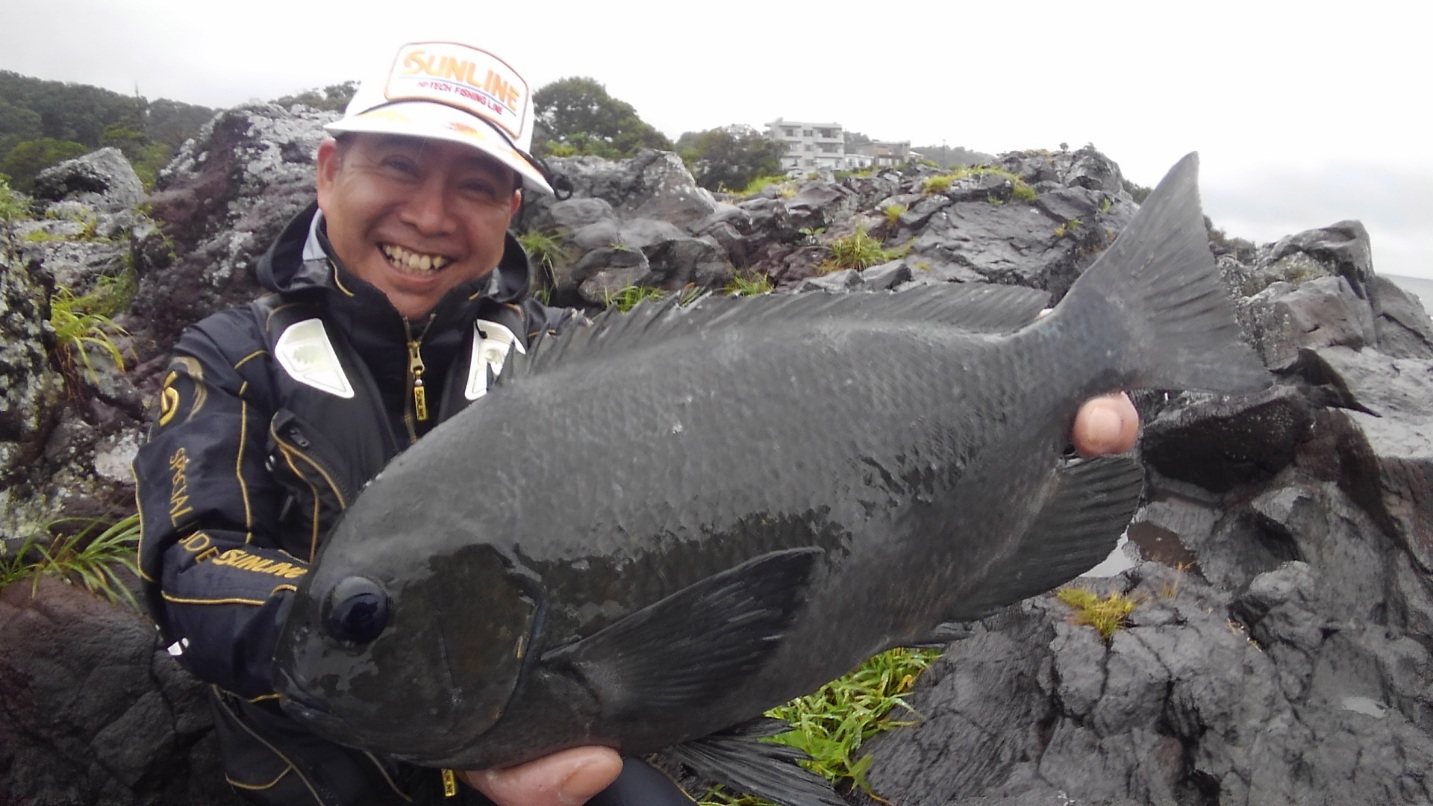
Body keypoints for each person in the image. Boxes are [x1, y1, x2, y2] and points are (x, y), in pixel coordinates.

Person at [132, 35, 1140, 806]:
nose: (431, 215)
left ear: (512, 214)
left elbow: (772, 468)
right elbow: (192, 557)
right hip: (312, 766)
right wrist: (350, 622)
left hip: (564, 734)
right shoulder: (233, 355)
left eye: (476, 186)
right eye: (397, 167)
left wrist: (1039, 397)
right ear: (327, 170)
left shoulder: (560, 357)